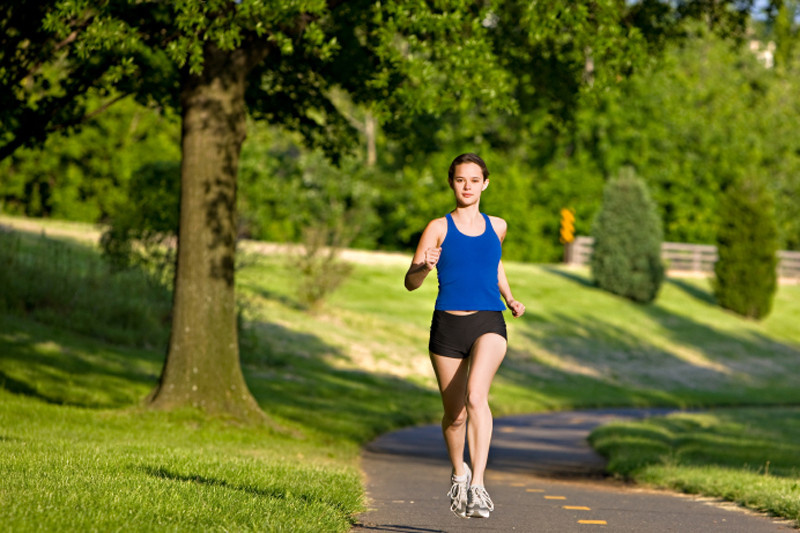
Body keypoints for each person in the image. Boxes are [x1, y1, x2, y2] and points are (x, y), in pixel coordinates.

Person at [404, 153, 525, 519]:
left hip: (489, 321)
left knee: (476, 396)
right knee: (454, 415)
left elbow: (494, 262)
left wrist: (509, 296)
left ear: (485, 183)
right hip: (447, 325)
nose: (468, 186)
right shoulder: (438, 227)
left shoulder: (498, 225)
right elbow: (409, 283)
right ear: (452, 183)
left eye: (474, 179)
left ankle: (478, 486)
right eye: (460, 180)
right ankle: (460, 472)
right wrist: (424, 267)